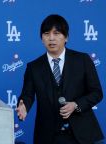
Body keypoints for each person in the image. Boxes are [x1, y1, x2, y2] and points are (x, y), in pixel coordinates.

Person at [16, 14, 104, 144]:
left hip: (81, 135)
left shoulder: (82, 60)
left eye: (56, 33)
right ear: (41, 39)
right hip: (48, 135)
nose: (51, 38)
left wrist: (76, 105)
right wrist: (24, 105)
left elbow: (97, 93)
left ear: (66, 37)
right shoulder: (34, 67)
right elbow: (27, 95)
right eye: (46, 34)